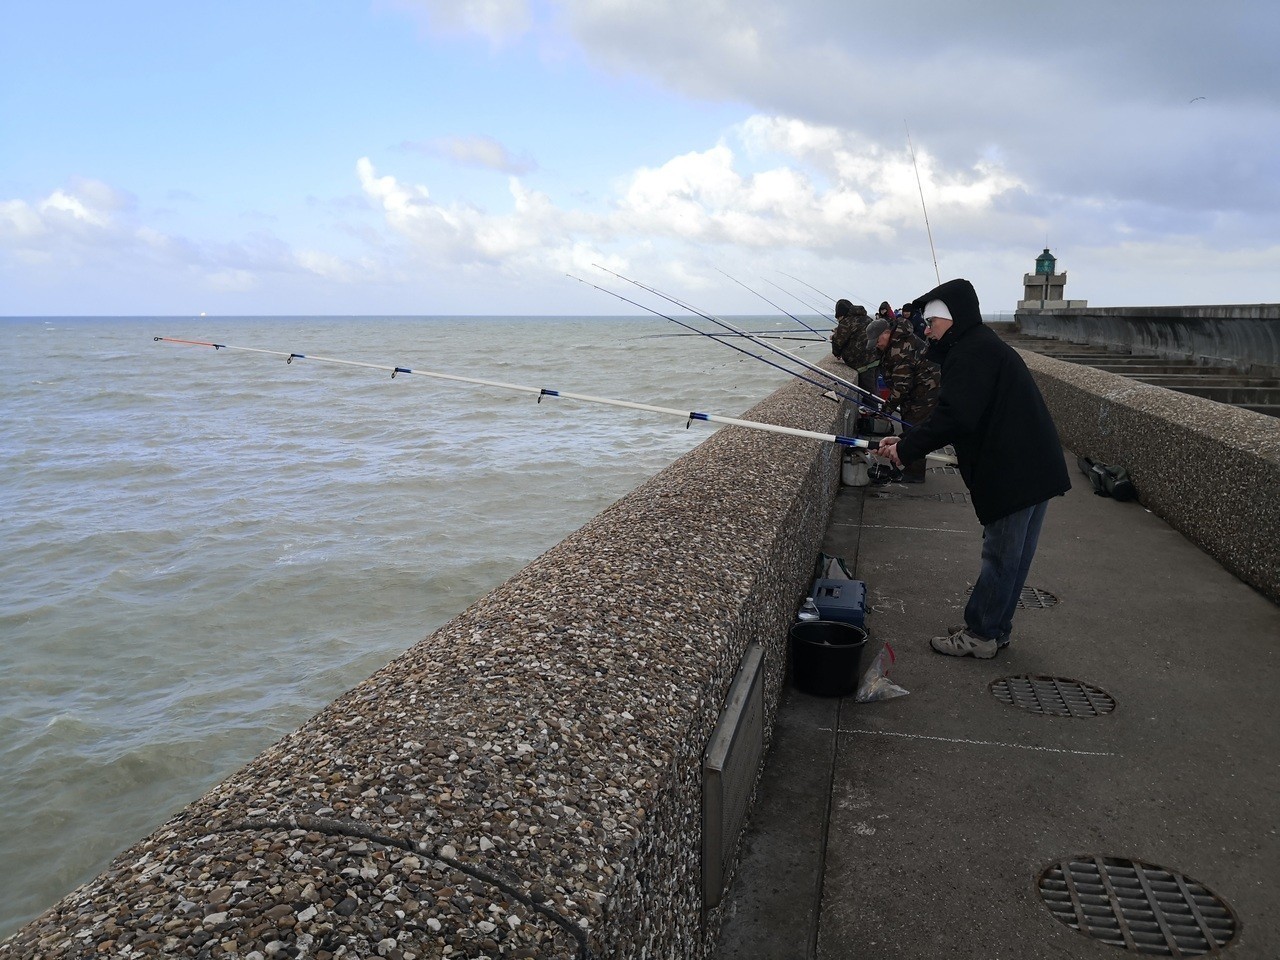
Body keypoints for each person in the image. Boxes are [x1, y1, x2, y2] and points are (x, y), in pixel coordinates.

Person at [876, 278, 1070, 659]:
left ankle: (981, 634)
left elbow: (956, 417)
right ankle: (994, 628)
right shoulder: (979, 345)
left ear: (954, 319)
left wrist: (906, 448)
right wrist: (906, 441)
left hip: (1015, 471)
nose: (926, 330)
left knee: (1000, 556)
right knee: (1014, 559)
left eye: (932, 322)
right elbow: (961, 411)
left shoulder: (971, 352)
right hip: (1034, 465)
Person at [864, 316, 939, 483]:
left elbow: (901, 387)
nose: (877, 345)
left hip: (925, 393)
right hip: (918, 392)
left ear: (886, 333)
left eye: (877, 341)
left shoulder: (900, 349)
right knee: (910, 426)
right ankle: (910, 465)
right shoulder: (896, 342)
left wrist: (885, 412)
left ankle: (915, 473)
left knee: (915, 427)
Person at [830, 299, 881, 420]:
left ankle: (874, 422)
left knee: (869, 395)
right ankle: (875, 416)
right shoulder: (867, 318)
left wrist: (834, 338)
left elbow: (838, 344)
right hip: (877, 359)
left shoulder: (846, 322)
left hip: (863, 363)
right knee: (874, 391)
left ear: (840, 314)